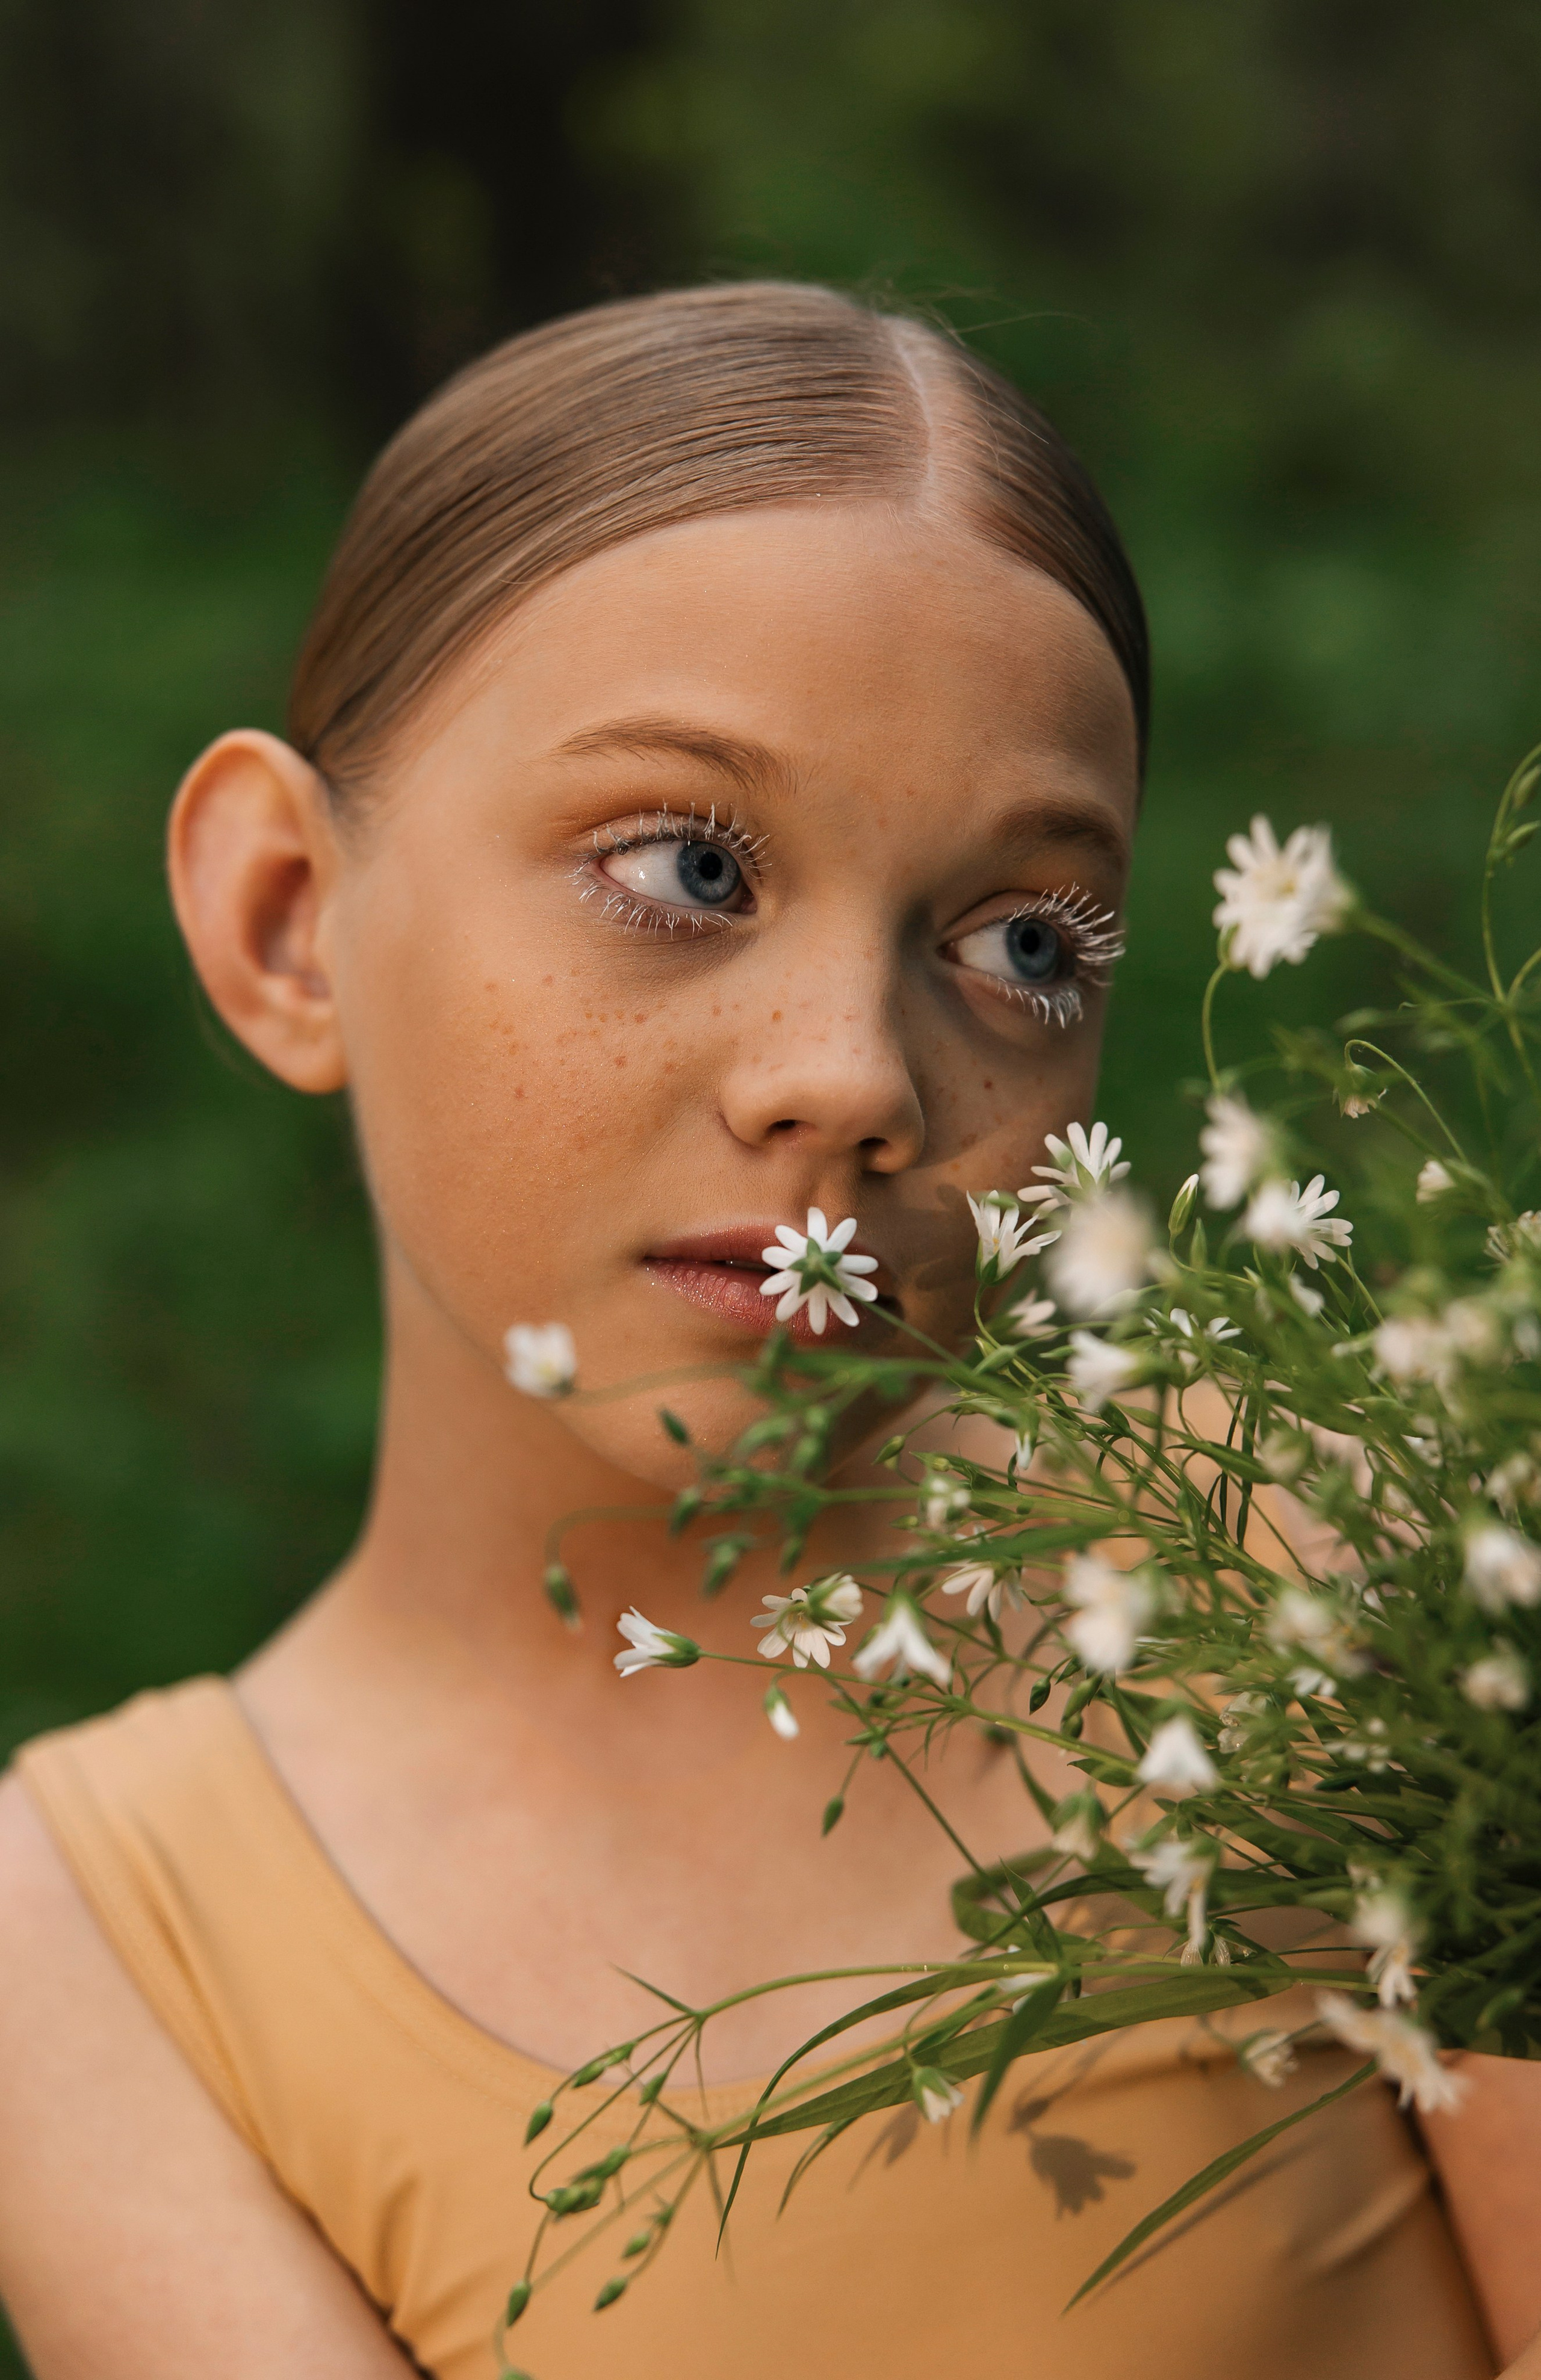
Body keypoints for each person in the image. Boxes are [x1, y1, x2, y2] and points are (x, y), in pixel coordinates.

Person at [0, 281, 1530, 2380]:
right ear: (285, 916)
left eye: (1017, 941)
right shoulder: (93, 1935)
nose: (854, 1075)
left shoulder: (1338, 1573)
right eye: (688, 864)